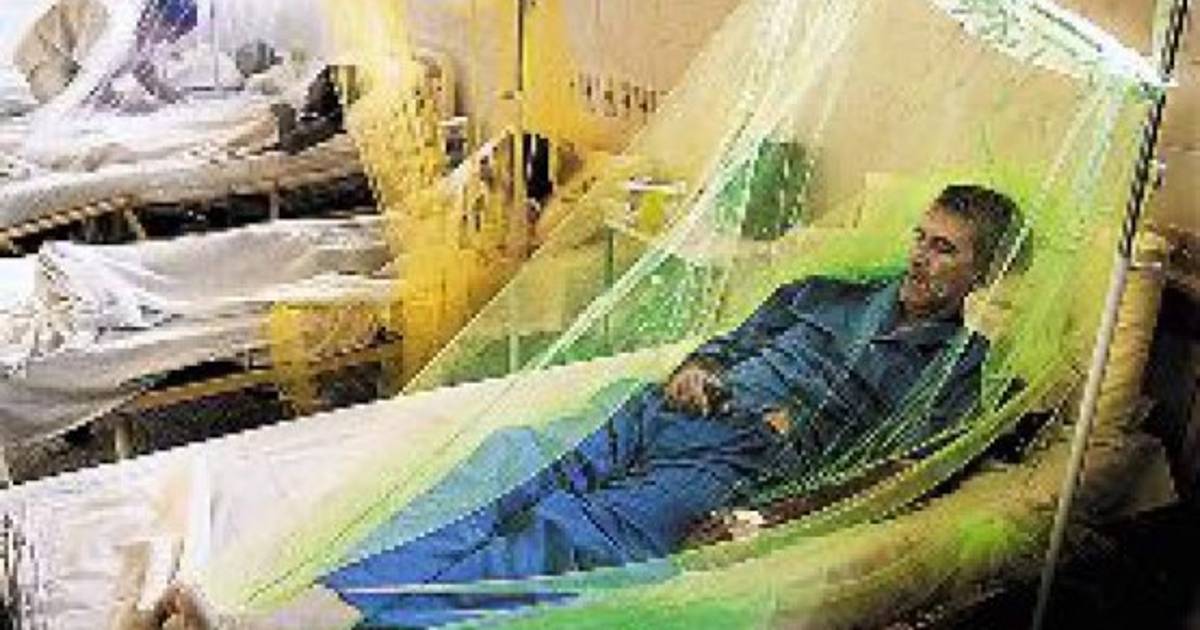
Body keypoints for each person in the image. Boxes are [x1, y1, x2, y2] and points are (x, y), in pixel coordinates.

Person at [128, 184, 1020, 629]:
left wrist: (763, 518)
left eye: (945, 251)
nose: (919, 258)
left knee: (564, 536)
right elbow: (731, 339)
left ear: (984, 273)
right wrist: (696, 366)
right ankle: (298, 610)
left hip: (738, 462)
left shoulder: (957, 371)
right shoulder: (826, 291)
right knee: (497, 477)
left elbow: (902, 474)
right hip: (665, 408)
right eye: (920, 237)